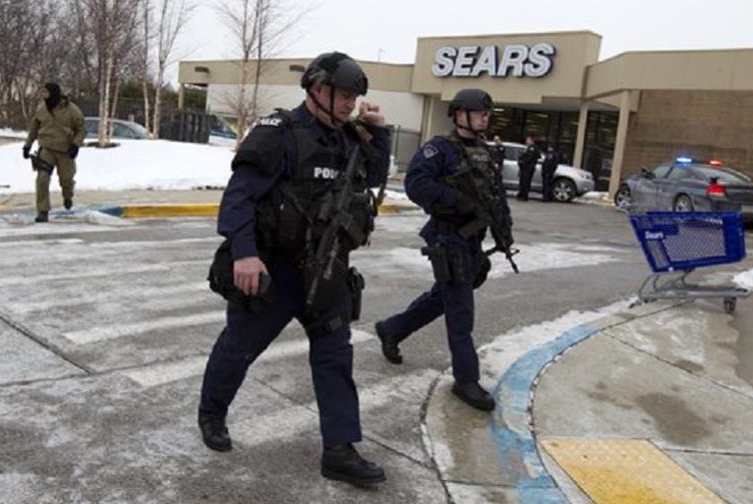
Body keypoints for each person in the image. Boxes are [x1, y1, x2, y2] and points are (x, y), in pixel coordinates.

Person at [199, 52, 391, 486]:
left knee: (335, 355)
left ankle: (339, 449)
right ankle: (212, 413)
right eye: (343, 95)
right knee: (240, 346)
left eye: (354, 96)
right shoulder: (279, 134)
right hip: (274, 268)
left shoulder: (348, 138)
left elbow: (377, 172)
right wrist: (245, 253)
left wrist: (379, 133)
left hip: (326, 270)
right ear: (316, 89)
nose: (349, 103)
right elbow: (239, 198)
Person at [373, 88, 513, 412]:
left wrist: (503, 229)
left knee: (446, 297)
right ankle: (466, 380)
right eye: (480, 112)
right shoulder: (440, 150)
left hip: (472, 239)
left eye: (487, 113)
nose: (485, 118)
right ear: (459, 114)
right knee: (461, 309)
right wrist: (457, 202)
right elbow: (416, 184)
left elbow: (496, 194)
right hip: (447, 238)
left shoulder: (484, 152)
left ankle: (392, 329)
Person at [22, 82, 86, 222]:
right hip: (47, 149)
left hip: (65, 151)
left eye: (46, 92)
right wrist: (27, 145)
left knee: (66, 180)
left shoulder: (72, 110)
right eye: (42, 92)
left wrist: (76, 145)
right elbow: (34, 128)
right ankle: (43, 211)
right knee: (42, 179)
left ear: (54, 93)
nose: (43, 95)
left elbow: (81, 129)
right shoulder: (41, 108)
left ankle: (67, 196)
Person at [515, 136, 540, 201]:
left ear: (531, 141)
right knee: (522, 181)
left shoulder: (533, 148)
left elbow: (530, 157)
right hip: (524, 167)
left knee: (526, 182)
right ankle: (521, 194)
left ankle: (525, 195)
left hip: (528, 167)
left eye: (528, 140)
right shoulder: (527, 147)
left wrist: (523, 162)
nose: (526, 141)